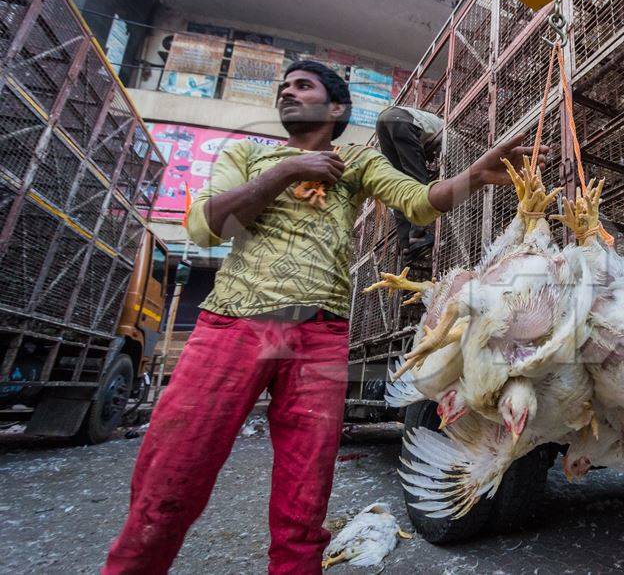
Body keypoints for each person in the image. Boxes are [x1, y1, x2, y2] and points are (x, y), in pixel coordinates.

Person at [102, 60, 548, 574]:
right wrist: (287, 170)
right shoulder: (247, 154)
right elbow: (206, 227)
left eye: (303, 86)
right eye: (283, 88)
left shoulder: (355, 163)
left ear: (336, 107)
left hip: (319, 335)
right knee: (172, 476)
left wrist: (473, 176)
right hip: (233, 323)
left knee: (305, 493)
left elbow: (418, 201)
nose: (287, 93)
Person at [375, 105, 443, 260]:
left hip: (383, 122)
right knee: (418, 181)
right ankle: (417, 236)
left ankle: (406, 244)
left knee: (399, 188)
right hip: (401, 120)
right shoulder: (445, 125)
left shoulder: (425, 120)